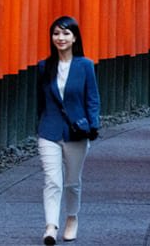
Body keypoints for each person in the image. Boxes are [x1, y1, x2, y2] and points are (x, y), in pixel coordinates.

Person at [36, 15, 101, 244]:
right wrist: (41, 124)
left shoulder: (85, 66)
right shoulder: (44, 67)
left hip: (76, 132)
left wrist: (93, 125)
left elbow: (92, 99)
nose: (60, 38)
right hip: (49, 131)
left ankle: (71, 218)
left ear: (74, 38)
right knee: (51, 180)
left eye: (65, 33)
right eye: (56, 33)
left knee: (72, 182)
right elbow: (40, 101)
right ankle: (51, 226)